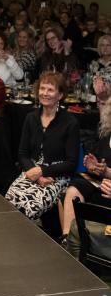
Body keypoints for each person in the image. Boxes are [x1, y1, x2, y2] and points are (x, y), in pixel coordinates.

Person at [5, 71, 79, 221]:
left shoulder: (70, 123)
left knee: (30, 206)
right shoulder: (31, 118)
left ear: (60, 95)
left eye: (50, 90)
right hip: (32, 171)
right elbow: (22, 154)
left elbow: (71, 163)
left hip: (57, 176)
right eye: (42, 88)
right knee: (9, 201)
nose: (45, 93)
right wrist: (36, 174)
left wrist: (42, 171)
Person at [61, 71, 111, 246]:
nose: (100, 106)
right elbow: (103, 165)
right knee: (74, 188)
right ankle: (69, 241)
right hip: (103, 182)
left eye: (103, 103)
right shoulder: (106, 132)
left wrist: (105, 173)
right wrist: (94, 166)